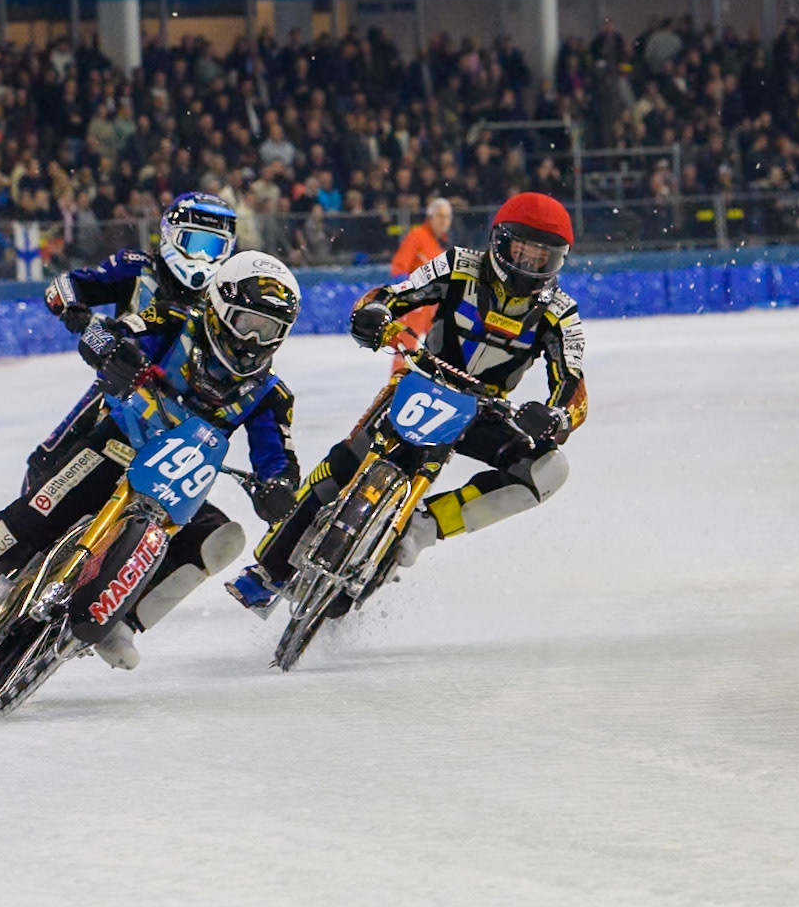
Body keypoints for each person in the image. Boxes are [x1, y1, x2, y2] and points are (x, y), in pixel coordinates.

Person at [0, 251, 304, 670]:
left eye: (269, 330)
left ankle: (123, 620)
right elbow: (111, 334)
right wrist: (113, 353)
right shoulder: (173, 320)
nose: (253, 341)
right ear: (218, 308)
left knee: (222, 539)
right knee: (37, 514)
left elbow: (278, 457)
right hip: (116, 445)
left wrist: (279, 487)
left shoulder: (271, 394)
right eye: (247, 324)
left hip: (174, 485)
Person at [226, 192, 587, 616]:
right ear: (499, 242)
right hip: (423, 381)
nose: (529, 264)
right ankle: (268, 569)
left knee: (548, 469)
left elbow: (573, 387)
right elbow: (393, 294)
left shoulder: (561, 313)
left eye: (543, 258)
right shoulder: (458, 264)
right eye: (522, 251)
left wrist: (555, 416)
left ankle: (424, 526)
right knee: (346, 461)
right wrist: (374, 315)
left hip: (486, 411)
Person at [27, 191, 237, 491]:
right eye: (195, 244)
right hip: (115, 392)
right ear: (171, 235)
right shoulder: (136, 267)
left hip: (175, 415)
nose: (203, 257)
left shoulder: (222, 299)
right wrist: (73, 307)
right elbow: (66, 284)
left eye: (214, 247)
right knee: (45, 464)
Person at [386, 196, 452, 367]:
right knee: (405, 348)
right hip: (415, 304)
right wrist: (407, 293)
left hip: (432, 304)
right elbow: (399, 267)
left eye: (447, 217)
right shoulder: (417, 236)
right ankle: (399, 382)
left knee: (441, 349)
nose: (444, 221)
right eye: (440, 216)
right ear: (430, 217)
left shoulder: (439, 243)